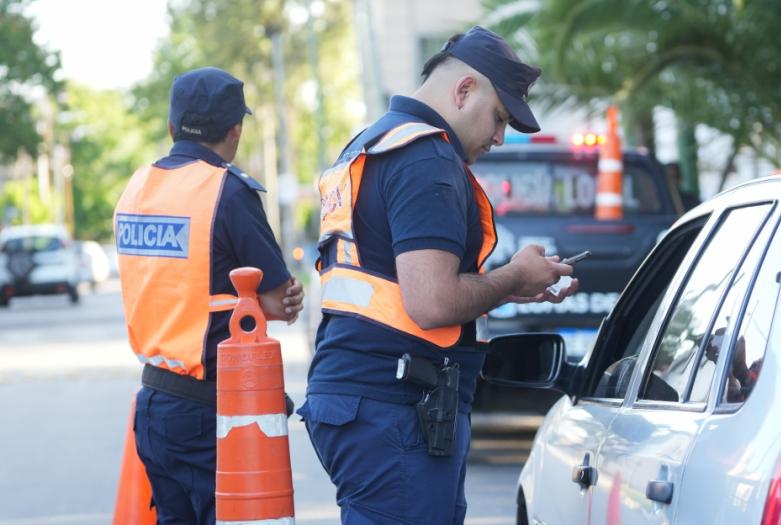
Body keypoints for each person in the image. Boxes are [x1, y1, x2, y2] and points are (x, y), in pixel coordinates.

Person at [299, 26, 579, 524]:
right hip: (393, 408)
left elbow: (396, 287)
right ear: (465, 89)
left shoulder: (374, 142)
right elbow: (431, 301)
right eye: (499, 117)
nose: (499, 136)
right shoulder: (426, 157)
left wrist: (514, 283)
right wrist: (513, 278)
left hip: (366, 400)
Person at [114, 67, 304, 524]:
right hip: (213, 412)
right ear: (235, 130)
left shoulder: (137, 187)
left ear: (171, 127)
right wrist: (285, 299)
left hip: (154, 403)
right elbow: (278, 302)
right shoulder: (228, 190)